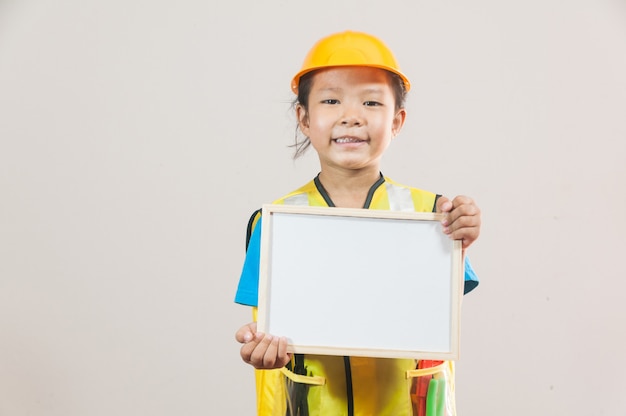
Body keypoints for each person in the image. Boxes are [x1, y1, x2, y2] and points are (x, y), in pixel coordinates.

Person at [234, 30, 481, 416]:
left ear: (397, 121)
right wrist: (261, 347)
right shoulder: (274, 223)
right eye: (331, 100)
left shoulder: (432, 213)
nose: (351, 116)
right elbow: (263, 324)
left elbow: (440, 304)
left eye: (371, 101)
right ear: (304, 118)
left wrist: (459, 238)